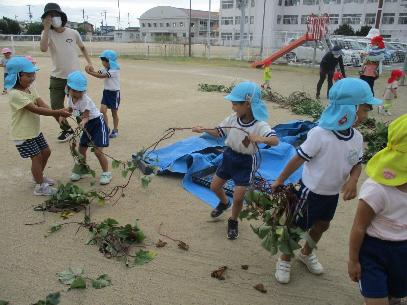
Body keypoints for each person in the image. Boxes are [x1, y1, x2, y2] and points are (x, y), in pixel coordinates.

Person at [272, 78, 383, 284]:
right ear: (348, 109)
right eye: (364, 110)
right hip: (310, 192)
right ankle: (285, 259)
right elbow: (297, 159)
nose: (366, 116)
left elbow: (357, 164)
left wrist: (353, 180)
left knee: (322, 225)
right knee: (296, 228)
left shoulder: (357, 138)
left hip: (331, 194)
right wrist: (280, 179)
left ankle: (306, 253)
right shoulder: (319, 134)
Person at [192, 81, 279, 240]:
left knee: (239, 197)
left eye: (235, 104)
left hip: (245, 163)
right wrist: (203, 129)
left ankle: (233, 221)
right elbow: (219, 132)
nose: (233, 107)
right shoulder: (232, 119)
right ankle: (224, 203)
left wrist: (260, 138)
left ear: (247, 104)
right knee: (215, 186)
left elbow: (275, 141)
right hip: (229, 157)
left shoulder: (260, 125)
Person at [348, 114, 407, 305]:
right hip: (374, 251)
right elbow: (358, 227)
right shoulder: (377, 189)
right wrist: (353, 260)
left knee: (395, 297)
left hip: (403, 251)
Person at [5, 57, 71, 196]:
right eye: (28, 75)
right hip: (23, 133)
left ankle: (38, 176)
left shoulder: (30, 89)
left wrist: (57, 117)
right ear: (18, 76)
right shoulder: (15, 94)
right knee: (36, 157)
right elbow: (35, 109)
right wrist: (58, 111)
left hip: (33, 131)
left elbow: (42, 104)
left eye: (33, 74)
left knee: (46, 152)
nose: (32, 78)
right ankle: (40, 186)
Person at [40, 2, 93, 142]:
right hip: (57, 76)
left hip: (74, 77)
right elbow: (43, 48)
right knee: (56, 106)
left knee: (79, 106)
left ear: (61, 16)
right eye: (49, 16)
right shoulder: (47, 33)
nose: (52, 18)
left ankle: (85, 129)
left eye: (54, 15)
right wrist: (46, 29)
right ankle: (67, 130)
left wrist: (89, 62)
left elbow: (82, 48)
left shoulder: (73, 32)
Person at [66, 71, 112, 185]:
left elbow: (86, 117)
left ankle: (106, 173)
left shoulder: (85, 100)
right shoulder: (70, 98)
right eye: (74, 90)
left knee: (98, 152)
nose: (77, 93)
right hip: (87, 125)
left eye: (80, 91)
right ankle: (82, 169)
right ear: (68, 88)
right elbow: (70, 109)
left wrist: (82, 122)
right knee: (81, 149)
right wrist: (63, 115)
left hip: (97, 124)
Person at [85, 50, 121, 138]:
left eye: (103, 61)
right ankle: (106, 128)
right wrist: (91, 69)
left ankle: (115, 129)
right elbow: (98, 72)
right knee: (102, 111)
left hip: (114, 94)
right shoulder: (105, 69)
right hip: (106, 92)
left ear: (109, 61)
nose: (102, 63)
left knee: (114, 114)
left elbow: (100, 76)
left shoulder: (114, 70)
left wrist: (89, 72)